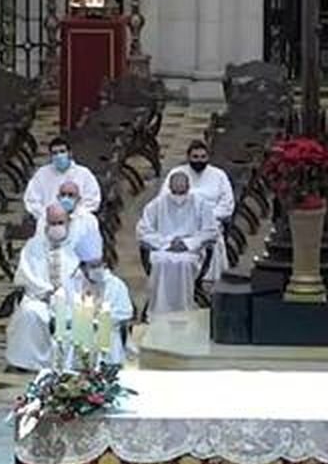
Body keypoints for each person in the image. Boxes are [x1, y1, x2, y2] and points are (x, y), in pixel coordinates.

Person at [4, 205, 81, 372]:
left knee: (78, 315)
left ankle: (70, 362)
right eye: (52, 223)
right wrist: (46, 290)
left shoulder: (77, 245)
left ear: (68, 222)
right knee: (29, 313)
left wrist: (64, 293)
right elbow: (26, 274)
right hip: (39, 297)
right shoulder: (33, 245)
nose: (56, 227)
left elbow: (82, 275)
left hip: (69, 298)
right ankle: (29, 362)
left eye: (60, 222)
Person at [137, 171, 220, 317]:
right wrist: (167, 243)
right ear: (169, 187)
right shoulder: (157, 204)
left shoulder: (201, 204)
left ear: (188, 187)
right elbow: (143, 230)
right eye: (175, 193)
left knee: (184, 263)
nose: (179, 199)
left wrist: (188, 243)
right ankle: (160, 310)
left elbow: (211, 231)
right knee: (162, 261)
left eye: (182, 193)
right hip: (163, 249)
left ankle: (184, 309)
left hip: (191, 251)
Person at [53, 227, 134, 367]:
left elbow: (125, 312)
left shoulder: (115, 285)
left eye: (100, 265)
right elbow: (60, 311)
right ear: (83, 267)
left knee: (105, 339)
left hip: (106, 331)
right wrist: (81, 320)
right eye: (92, 266)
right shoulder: (70, 285)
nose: (98, 269)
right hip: (77, 332)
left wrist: (101, 318)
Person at [167, 140, 234, 281]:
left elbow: (227, 204)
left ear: (208, 157)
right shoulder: (177, 173)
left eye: (203, 157)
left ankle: (207, 278)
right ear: (188, 157)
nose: (199, 160)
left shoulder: (219, 175)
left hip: (210, 220)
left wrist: (206, 216)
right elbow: (164, 200)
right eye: (195, 157)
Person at [23, 136, 102, 228]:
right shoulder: (42, 174)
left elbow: (93, 200)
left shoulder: (84, 174)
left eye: (62, 151)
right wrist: (47, 215)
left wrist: (74, 216)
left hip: (77, 224)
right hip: (48, 224)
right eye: (55, 153)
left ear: (70, 153)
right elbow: (31, 200)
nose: (59, 156)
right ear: (51, 156)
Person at [55, 179, 103, 252]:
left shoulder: (89, 220)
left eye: (71, 195)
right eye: (63, 195)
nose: (66, 198)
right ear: (58, 197)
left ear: (78, 198)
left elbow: (94, 248)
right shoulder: (45, 218)